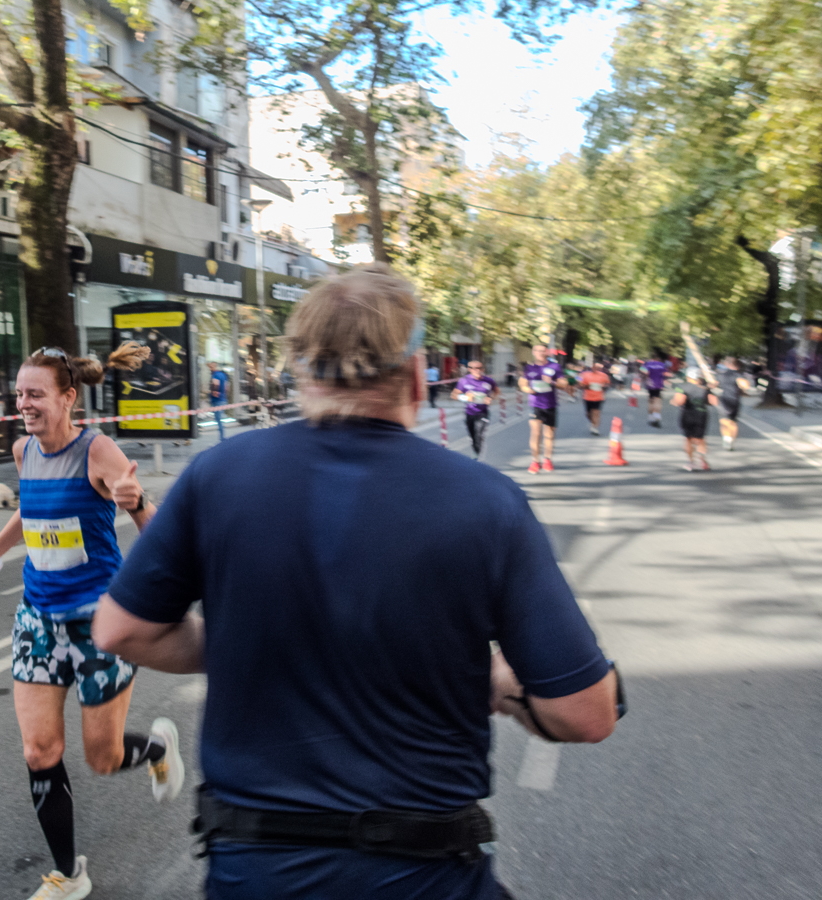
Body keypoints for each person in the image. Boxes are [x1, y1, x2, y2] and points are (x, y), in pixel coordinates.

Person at [91, 264, 622, 900]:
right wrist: (499, 685)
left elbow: (121, 629)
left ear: (301, 369)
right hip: (425, 876)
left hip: (255, 872)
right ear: (417, 376)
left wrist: (255, 638)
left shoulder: (218, 476)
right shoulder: (487, 503)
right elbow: (586, 713)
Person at [0, 344, 185, 900]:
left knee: (103, 759)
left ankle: (157, 750)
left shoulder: (97, 450)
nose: (24, 404)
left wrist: (135, 501)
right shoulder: (23, 451)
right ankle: (68, 874)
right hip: (39, 619)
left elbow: (149, 527)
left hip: (99, 623)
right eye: (19, 394)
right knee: (39, 751)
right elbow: (29, 510)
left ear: (66, 398)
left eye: (35, 394)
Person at [519, 344, 571, 473]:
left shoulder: (554, 367)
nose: (540, 353)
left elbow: (564, 383)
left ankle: (547, 459)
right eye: (538, 351)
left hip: (550, 404)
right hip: (535, 404)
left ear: (547, 352)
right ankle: (535, 461)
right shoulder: (529, 367)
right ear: (534, 352)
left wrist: (552, 382)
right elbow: (522, 383)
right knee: (535, 433)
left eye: (543, 351)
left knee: (549, 434)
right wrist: (527, 389)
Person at [671, 367, 718, 470]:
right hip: (702, 415)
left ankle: (691, 462)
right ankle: (702, 458)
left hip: (687, 415)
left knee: (688, 439)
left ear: (687, 376)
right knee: (700, 438)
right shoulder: (704, 388)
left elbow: (679, 401)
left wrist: (673, 401)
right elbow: (713, 401)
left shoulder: (681, 387)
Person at [451, 358, 499, 457]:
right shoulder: (464, 381)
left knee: (479, 434)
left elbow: (497, 392)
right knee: (473, 435)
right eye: (474, 368)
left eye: (480, 368)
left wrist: (490, 398)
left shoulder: (488, 381)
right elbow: (454, 395)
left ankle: (477, 455)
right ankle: (475, 450)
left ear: (483, 369)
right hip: (469, 412)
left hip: (483, 412)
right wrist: (465, 397)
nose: (478, 370)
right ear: (470, 369)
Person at [716, 357, 750, 450]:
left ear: (728, 365)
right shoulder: (738, 375)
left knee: (724, 421)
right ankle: (731, 440)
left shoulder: (721, 374)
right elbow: (745, 386)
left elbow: (714, 383)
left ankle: (726, 438)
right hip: (735, 400)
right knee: (733, 422)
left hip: (724, 400)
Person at [579, 362, 611, 435]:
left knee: (596, 413)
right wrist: (586, 386)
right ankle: (593, 423)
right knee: (588, 414)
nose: (596, 369)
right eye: (595, 367)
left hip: (598, 397)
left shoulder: (604, 375)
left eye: (598, 367)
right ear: (592, 367)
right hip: (587, 397)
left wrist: (604, 387)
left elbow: (607, 385)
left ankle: (595, 427)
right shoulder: (585, 374)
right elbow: (580, 384)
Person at [208, 361, 230, 441]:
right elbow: (227, 387)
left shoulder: (215, 375)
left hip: (217, 400)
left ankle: (222, 438)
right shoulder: (223, 375)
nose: (210, 369)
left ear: (213, 367)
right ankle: (222, 436)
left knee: (218, 419)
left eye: (210, 367)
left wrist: (211, 393)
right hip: (223, 399)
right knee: (220, 418)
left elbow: (215, 387)